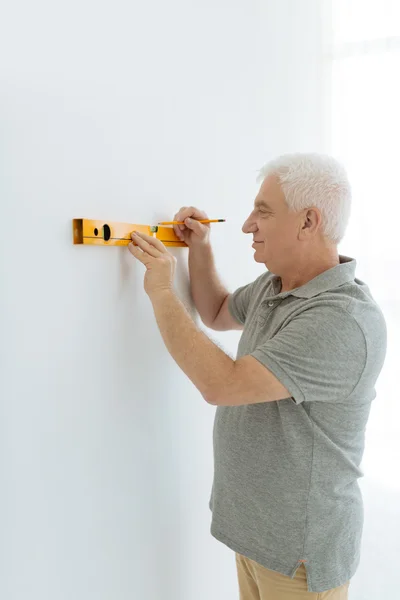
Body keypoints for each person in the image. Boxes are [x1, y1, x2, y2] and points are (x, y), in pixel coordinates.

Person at [128, 153, 387, 600]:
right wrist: (200, 250)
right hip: (258, 537)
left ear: (308, 222)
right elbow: (215, 310)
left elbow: (222, 385)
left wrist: (161, 292)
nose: (248, 225)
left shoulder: (341, 320)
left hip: (299, 555)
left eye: (263, 212)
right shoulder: (278, 285)